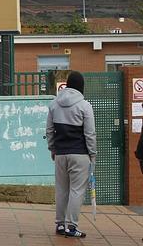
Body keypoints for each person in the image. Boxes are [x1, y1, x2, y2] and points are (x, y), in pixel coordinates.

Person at [46, 71, 96, 238]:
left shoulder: (54, 103)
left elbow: (49, 130)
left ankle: (60, 225)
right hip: (80, 155)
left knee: (61, 190)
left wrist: (53, 149)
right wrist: (92, 155)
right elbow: (90, 134)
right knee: (77, 191)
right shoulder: (85, 106)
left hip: (60, 154)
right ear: (81, 86)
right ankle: (72, 227)